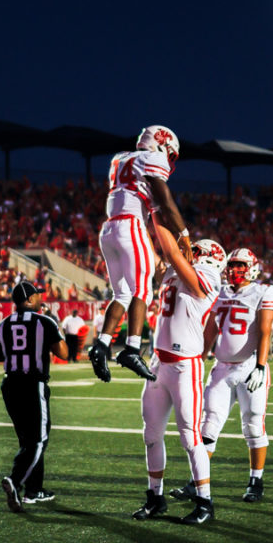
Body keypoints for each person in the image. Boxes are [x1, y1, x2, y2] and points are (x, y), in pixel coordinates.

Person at [171, 248, 273, 503]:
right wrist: (199, 359)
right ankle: (196, 481)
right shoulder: (220, 292)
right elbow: (210, 330)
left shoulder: (264, 291)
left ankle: (256, 481)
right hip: (221, 368)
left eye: (240, 265)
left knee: (253, 424)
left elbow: (265, 330)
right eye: (231, 265)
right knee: (208, 425)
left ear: (252, 267)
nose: (233, 270)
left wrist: (261, 366)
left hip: (249, 366)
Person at [133, 226, 225, 525]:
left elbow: (172, 252)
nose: (190, 252)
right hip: (158, 363)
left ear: (207, 258)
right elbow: (156, 257)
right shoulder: (175, 273)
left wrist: (163, 221)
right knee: (151, 435)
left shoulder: (208, 278)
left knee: (190, 437)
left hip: (185, 366)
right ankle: (155, 497)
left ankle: (205, 502)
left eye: (195, 250)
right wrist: (140, 223)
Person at [88, 125, 192, 383]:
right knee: (142, 291)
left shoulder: (120, 158)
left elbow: (150, 204)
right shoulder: (153, 159)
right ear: (161, 144)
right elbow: (166, 203)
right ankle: (132, 349)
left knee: (122, 294)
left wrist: (157, 250)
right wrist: (184, 234)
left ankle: (101, 344)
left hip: (109, 229)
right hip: (129, 224)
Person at [0, 282, 69, 513]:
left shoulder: (4, 324)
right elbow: (63, 352)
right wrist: (52, 329)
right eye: (37, 295)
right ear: (29, 300)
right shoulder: (44, 321)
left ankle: (34, 490)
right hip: (32, 383)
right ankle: (15, 481)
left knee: (27, 439)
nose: (40, 299)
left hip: (10, 385)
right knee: (38, 440)